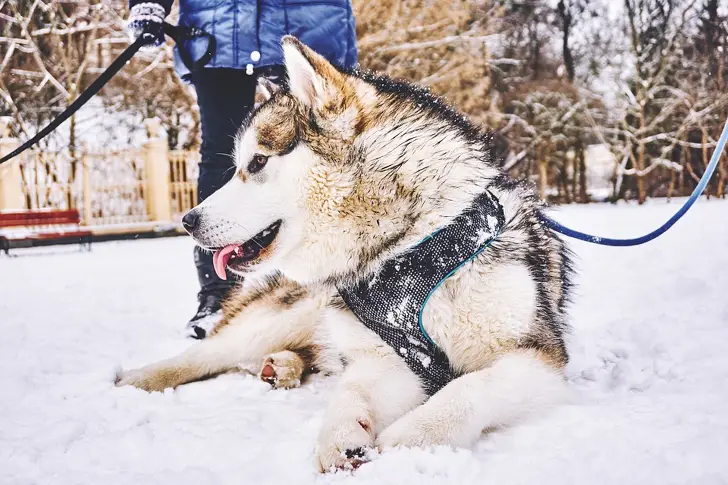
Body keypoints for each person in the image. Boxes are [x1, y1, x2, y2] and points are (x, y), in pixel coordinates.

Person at [126, 0, 358, 338]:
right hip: (219, 27)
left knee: (318, 151)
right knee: (223, 153)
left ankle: (330, 281)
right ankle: (220, 294)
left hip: (305, 21)